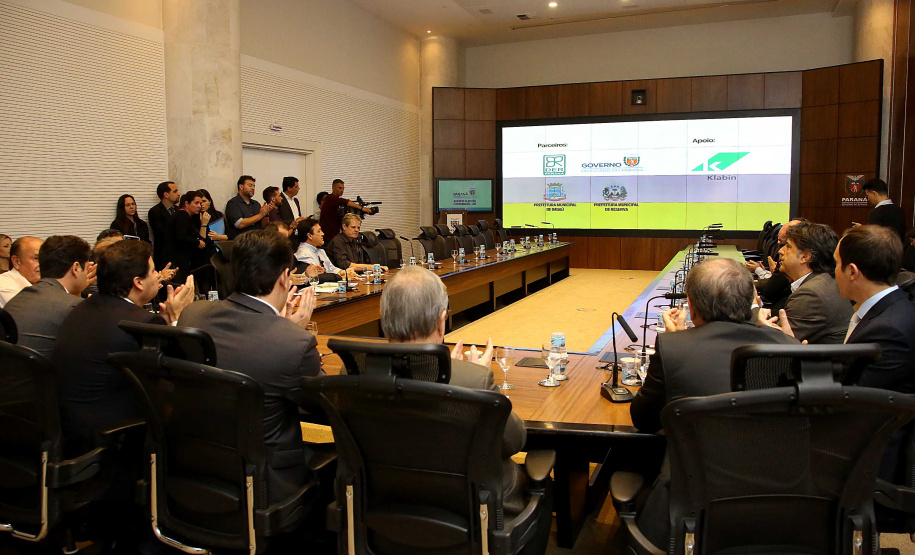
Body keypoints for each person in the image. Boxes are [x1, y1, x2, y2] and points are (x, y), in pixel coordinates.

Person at [378, 266, 549, 553]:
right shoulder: (472, 380)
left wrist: (456, 372)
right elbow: (514, 440)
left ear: (384, 322)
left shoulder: (355, 371)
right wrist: (473, 381)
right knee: (544, 486)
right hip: (471, 510)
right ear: (442, 322)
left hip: (385, 505)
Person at [630, 258, 799, 546]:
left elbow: (643, 419)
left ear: (691, 306)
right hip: (780, 506)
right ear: (752, 302)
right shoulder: (789, 346)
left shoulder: (674, 347)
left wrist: (677, 348)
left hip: (691, 506)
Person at [178, 230, 321, 504]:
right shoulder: (292, 342)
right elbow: (324, 405)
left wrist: (284, 330)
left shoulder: (192, 315)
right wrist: (290, 332)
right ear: (284, 278)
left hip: (198, 469)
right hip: (267, 484)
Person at [53, 240, 194, 452]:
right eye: (154, 271)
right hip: (112, 435)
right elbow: (185, 372)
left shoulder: (83, 307)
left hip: (68, 428)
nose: (158, 276)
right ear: (138, 282)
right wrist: (176, 319)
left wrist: (162, 328)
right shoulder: (141, 322)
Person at [760, 221, 853, 344]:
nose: (780, 251)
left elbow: (774, 342)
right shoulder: (824, 281)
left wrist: (754, 307)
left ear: (805, 257)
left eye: (788, 246)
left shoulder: (811, 294)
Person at [4, 236, 93, 356]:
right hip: (45, 373)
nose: (87, 274)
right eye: (87, 268)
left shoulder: (19, 298)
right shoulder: (72, 306)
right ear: (76, 268)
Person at [168, 190, 208, 285]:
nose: (199, 206)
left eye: (200, 203)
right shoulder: (182, 215)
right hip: (178, 260)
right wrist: (198, 243)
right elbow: (181, 237)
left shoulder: (187, 216)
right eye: (196, 203)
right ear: (186, 203)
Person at [318, 179, 373, 243]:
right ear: (333, 187)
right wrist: (362, 208)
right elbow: (346, 202)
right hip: (327, 235)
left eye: (343, 188)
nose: (342, 190)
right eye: (340, 188)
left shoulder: (336, 201)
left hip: (333, 234)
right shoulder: (330, 198)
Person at [225, 175, 273, 239]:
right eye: (250, 185)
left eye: (254, 186)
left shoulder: (256, 204)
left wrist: (266, 213)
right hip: (242, 242)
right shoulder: (233, 203)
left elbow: (263, 226)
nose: (253, 188)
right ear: (241, 187)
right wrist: (261, 214)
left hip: (258, 240)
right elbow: (240, 224)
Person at [0, 236, 43, 308]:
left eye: (44, 258)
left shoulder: (47, 282)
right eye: (36, 258)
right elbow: (34, 312)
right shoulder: (3, 283)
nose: (43, 263)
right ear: (17, 262)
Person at [148, 181, 180, 269]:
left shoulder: (179, 210)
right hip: (164, 257)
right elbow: (162, 233)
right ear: (166, 195)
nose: (178, 194)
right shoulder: (155, 211)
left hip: (180, 256)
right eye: (175, 191)